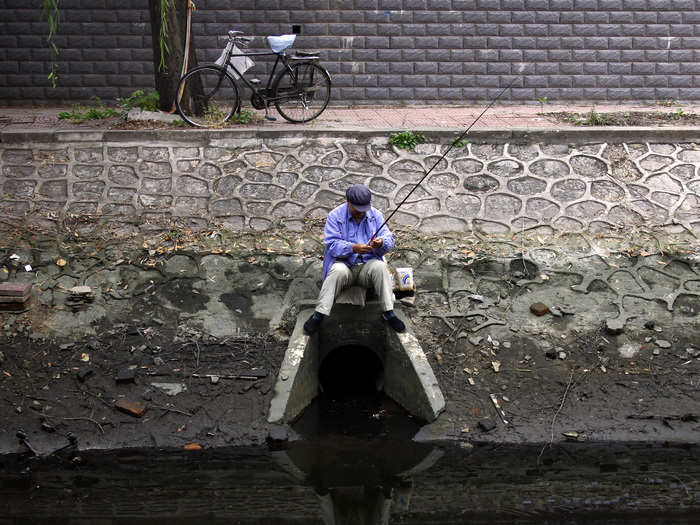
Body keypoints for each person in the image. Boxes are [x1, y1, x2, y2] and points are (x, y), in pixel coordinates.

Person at [303, 184, 406, 335]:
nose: (361, 213)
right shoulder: (335, 216)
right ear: (348, 203)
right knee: (337, 271)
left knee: (380, 267)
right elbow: (331, 245)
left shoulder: (375, 215)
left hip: (367, 268)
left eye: (364, 209)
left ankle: (389, 312)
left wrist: (381, 243)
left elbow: (388, 239)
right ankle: (319, 314)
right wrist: (353, 248)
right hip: (345, 266)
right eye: (357, 209)